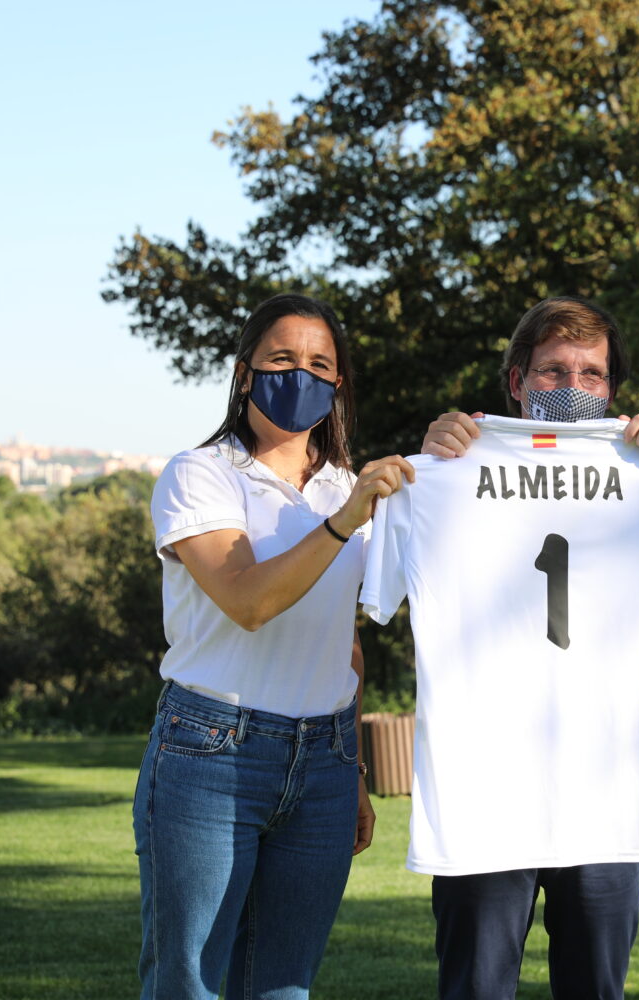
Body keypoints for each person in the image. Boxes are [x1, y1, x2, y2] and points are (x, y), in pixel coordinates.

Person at [416, 297, 639, 1000]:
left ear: (614, 391)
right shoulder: (450, 470)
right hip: (483, 793)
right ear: (516, 381)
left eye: (592, 374)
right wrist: (430, 460)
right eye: (554, 369)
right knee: (474, 988)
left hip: (607, 791)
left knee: (594, 989)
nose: (572, 387)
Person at [134, 292, 414, 1000]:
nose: (302, 375)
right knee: (188, 984)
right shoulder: (200, 475)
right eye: (283, 359)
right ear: (245, 373)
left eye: (321, 364)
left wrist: (351, 765)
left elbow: (344, 643)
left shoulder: (344, 487)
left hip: (323, 759)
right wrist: (347, 522)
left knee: (284, 988)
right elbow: (248, 601)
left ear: (338, 384)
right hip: (212, 751)